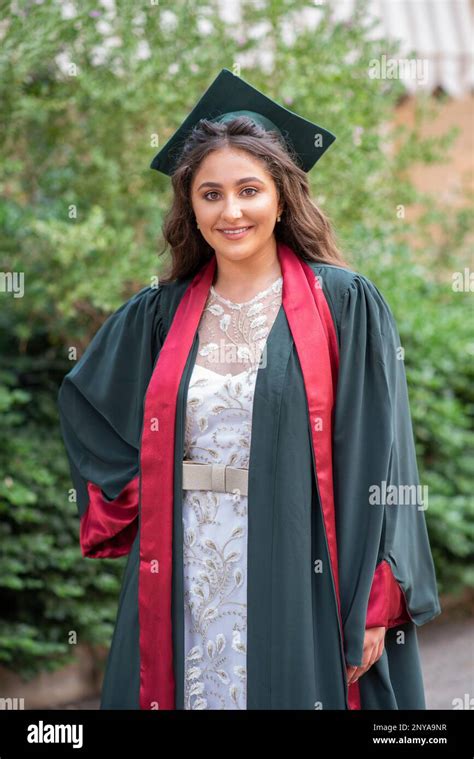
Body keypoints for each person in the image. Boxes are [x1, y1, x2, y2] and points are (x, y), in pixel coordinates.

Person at [57, 69, 441, 710]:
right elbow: (89, 406)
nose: (230, 211)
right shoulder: (161, 314)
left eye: (248, 190)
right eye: (211, 194)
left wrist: (376, 598)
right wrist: (137, 491)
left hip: (299, 561)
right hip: (183, 562)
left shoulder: (342, 303)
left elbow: (388, 454)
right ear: (191, 207)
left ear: (283, 197)